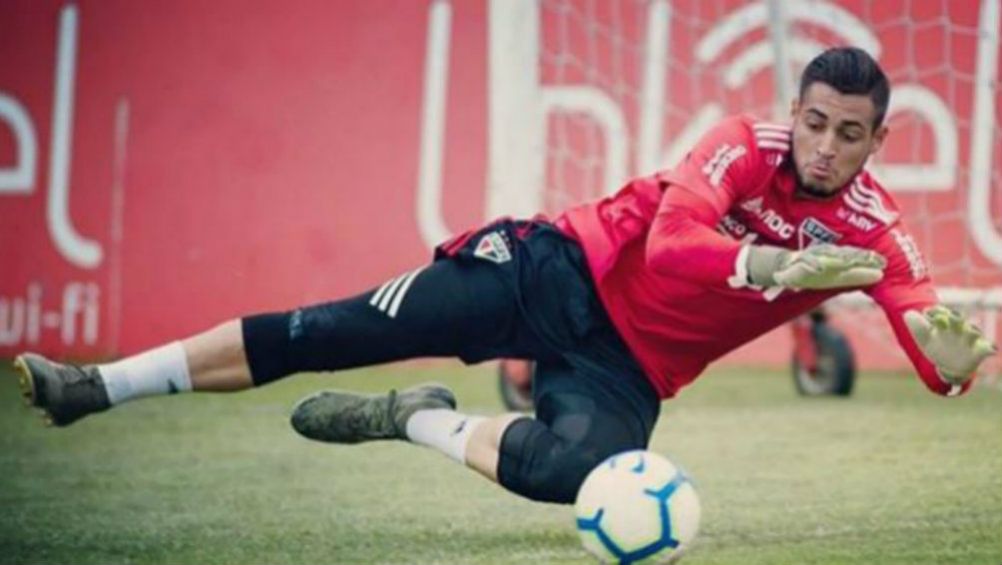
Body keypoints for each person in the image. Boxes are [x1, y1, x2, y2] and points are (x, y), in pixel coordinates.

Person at [14, 47, 996, 504]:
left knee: (582, 474)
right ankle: (95, 387)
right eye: (816, 122)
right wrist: (776, 262)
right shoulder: (743, 144)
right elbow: (672, 247)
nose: (823, 147)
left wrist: (952, 349)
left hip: (629, 366)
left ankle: (411, 417)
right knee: (331, 328)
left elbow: (931, 353)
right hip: (553, 268)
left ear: (879, 139)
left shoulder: (881, 232)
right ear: (799, 108)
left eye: (849, 134)